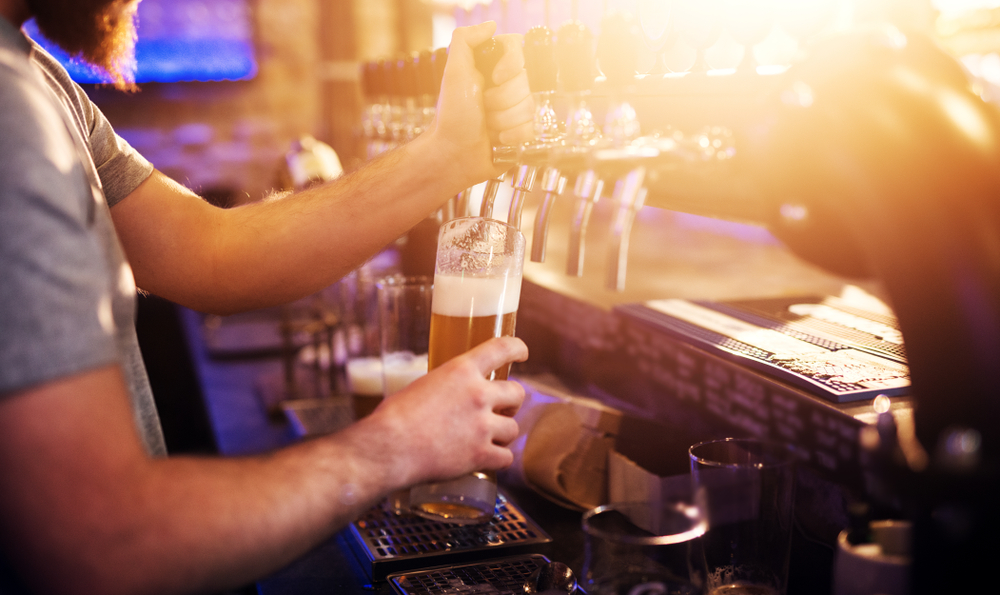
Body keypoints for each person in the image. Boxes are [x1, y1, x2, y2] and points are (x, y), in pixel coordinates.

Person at [0, 0, 535, 594]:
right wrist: (396, 446)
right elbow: (104, 540)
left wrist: (451, 153)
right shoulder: (9, 109)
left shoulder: (38, 79)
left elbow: (210, 253)